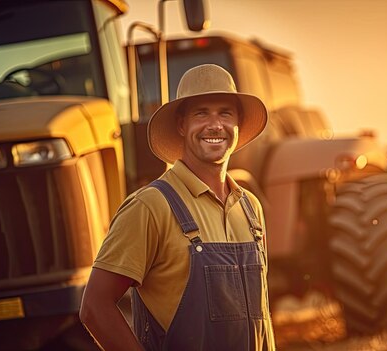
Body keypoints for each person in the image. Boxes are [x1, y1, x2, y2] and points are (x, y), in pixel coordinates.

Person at [80, 64, 275, 350]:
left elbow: (262, 320)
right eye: (201, 113)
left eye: (225, 113)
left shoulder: (250, 208)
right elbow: (95, 307)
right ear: (181, 125)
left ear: (238, 124)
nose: (214, 125)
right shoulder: (149, 206)